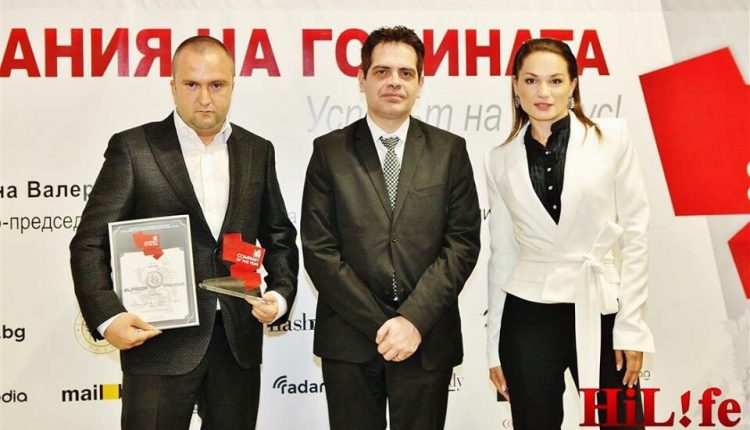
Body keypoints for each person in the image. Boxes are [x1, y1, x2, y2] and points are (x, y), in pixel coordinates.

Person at [69, 35, 298, 430]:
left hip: (236, 342)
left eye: (217, 85)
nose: (205, 98)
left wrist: (279, 296)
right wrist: (108, 317)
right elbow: (89, 243)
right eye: (192, 84)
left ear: (232, 86)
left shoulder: (257, 150)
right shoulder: (134, 149)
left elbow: (279, 235)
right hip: (157, 341)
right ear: (173, 86)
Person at [301, 25, 481, 430]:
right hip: (350, 340)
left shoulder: (450, 151)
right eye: (382, 71)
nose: (394, 82)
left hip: (426, 337)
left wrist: (412, 320)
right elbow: (319, 249)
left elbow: (462, 244)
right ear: (361, 79)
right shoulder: (329, 152)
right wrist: (382, 326)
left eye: (406, 73)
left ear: (420, 83)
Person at [485, 37, 655, 429]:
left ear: (573, 85)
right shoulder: (498, 160)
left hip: (601, 307)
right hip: (528, 315)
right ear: (515, 86)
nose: (543, 92)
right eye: (531, 81)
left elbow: (636, 234)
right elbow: (502, 255)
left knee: (622, 422)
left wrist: (631, 327)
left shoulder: (612, 137)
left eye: (555, 80)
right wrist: (494, 346)